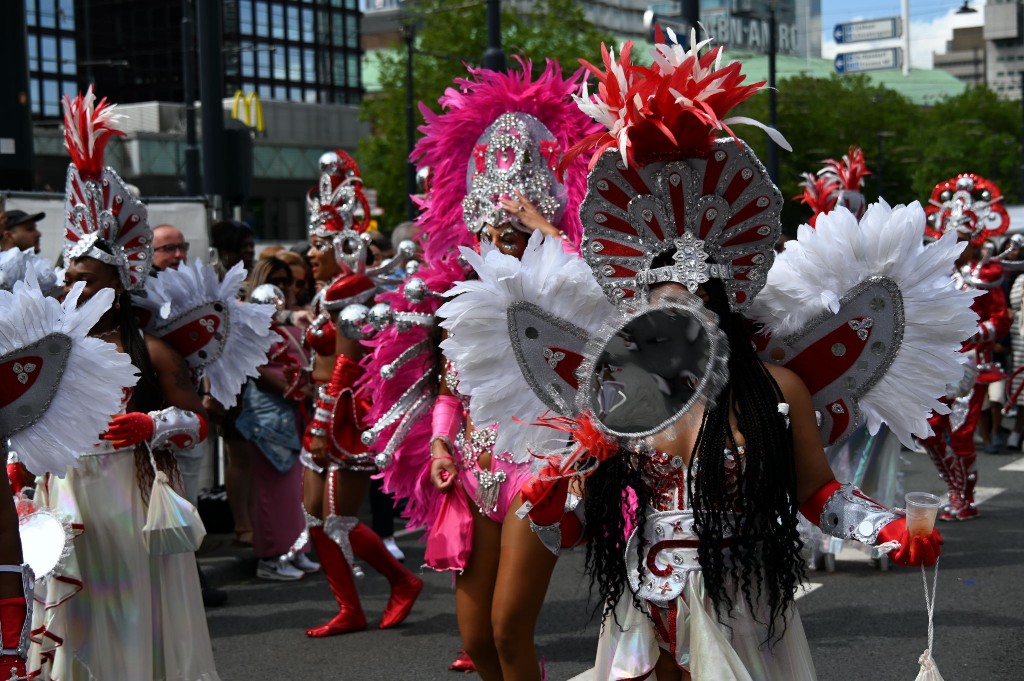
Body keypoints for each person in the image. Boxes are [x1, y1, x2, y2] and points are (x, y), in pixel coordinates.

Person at [543, 34, 953, 680]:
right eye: (660, 305)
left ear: (722, 304)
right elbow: (577, 522)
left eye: (690, 303)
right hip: (641, 617)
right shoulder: (624, 394)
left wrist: (888, 529)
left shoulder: (774, 388)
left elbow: (818, 492)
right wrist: (548, 502)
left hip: (744, 615)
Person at [367, 59, 600, 678]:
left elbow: (594, 296)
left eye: (516, 235)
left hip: (537, 471)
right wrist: (442, 443)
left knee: (508, 629)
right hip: (473, 473)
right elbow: (451, 383)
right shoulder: (465, 300)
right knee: (477, 641)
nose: (506, 243)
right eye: (496, 233)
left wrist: (547, 230)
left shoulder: (564, 289)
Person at [29, 88, 219, 681]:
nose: (76, 290)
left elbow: (200, 423)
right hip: (68, 499)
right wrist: (23, 465)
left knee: (132, 615)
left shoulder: (153, 349)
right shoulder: (52, 350)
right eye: (71, 279)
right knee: (78, 617)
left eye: (88, 280)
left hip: (133, 497)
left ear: (118, 281)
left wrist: (152, 424)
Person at [297, 149, 423, 637]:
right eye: (310, 244)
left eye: (318, 245)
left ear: (342, 244)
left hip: (344, 417)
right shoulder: (325, 290)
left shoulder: (348, 289)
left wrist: (321, 423)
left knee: (338, 519)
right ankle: (349, 607)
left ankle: (401, 581)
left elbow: (347, 364)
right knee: (314, 517)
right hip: (322, 411)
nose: (310, 253)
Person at [919, 173, 1011, 520]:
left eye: (962, 238)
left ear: (974, 239)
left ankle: (964, 497)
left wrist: (974, 331)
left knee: (960, 435)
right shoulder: (934, 273)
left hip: (970, 363)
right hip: (936, 361)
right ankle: (954, 487)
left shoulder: (985, 273)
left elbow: (1001, 318)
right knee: (928, 431)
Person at [236, 257, 317, 580]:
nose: (285, 287)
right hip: (268, 413)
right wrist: (289, 388)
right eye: (278, 280)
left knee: (294, 487)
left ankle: (295, 550)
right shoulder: (251, 319)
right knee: (274, 488)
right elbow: (254, 366)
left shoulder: (292, 317)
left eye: (290, 281)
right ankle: (271, 557)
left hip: (293, 410)